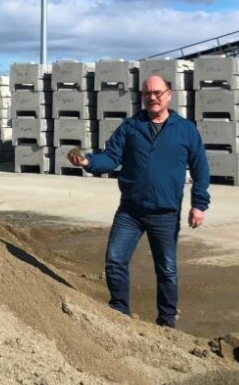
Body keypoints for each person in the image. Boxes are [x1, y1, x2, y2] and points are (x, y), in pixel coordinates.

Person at [67, 74, 210, 328]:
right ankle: (119, 311)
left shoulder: (185, 130)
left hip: (165, 213)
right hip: (130, 211)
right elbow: (111, 157)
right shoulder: (130, 127)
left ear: (169, 94)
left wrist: (198, 205)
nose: (152, 97)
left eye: (157, 92)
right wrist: (88, 162)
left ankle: (166, 321)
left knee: (166, 269)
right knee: (114, 259)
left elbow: (201, 169)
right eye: (147, 94)